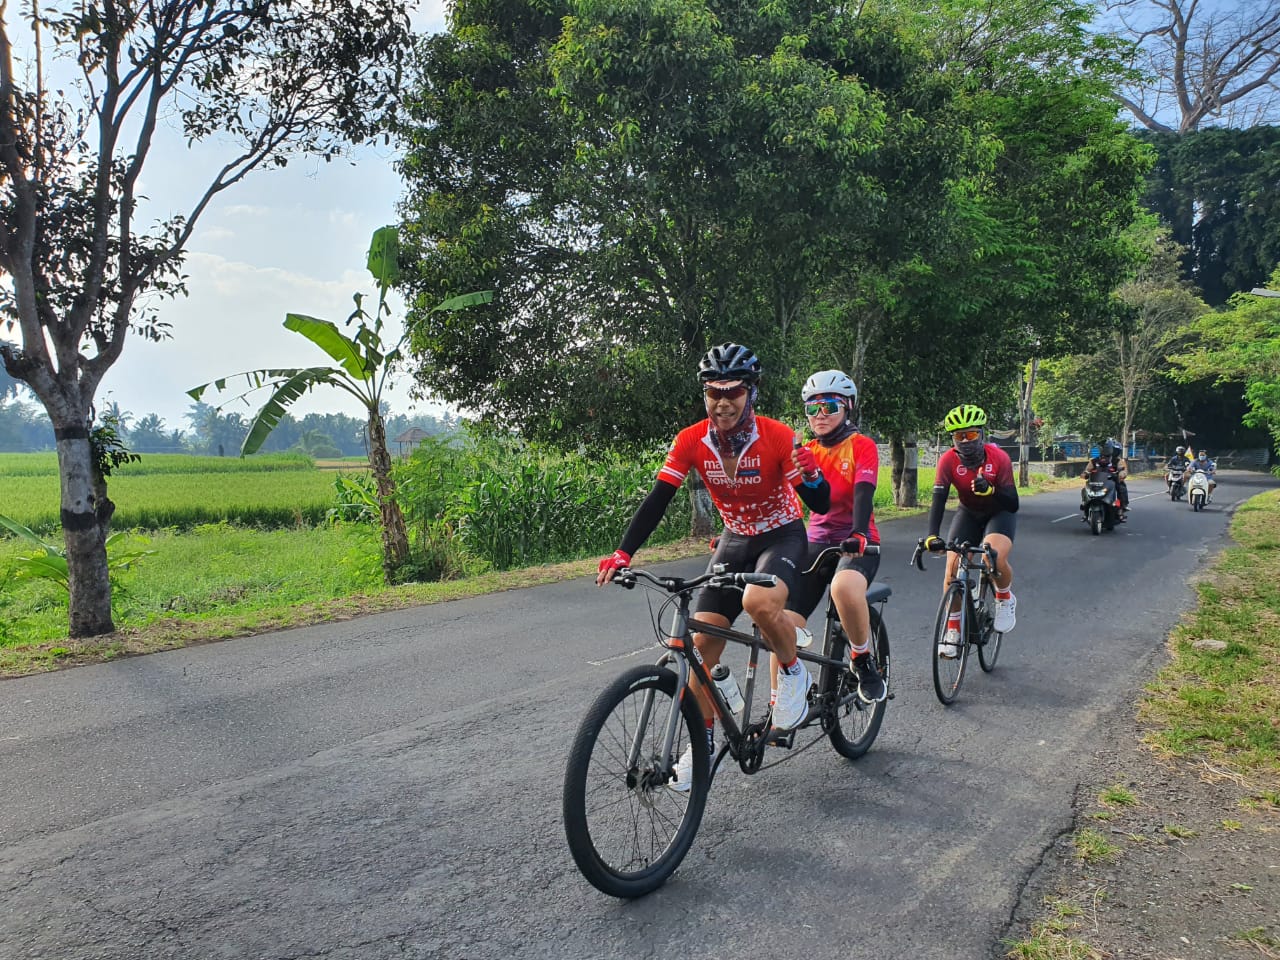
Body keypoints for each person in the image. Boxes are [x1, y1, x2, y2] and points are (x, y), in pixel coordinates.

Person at [596, 342, 831, 790]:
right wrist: (624, 553)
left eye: (733, 392)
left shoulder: (780, 436)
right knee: (698, 644)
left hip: (782, 535)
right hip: (734, 539)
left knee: (760, 602)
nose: (722, 402)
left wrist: (812, 476)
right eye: (713, 392)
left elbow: (818, 504)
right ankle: (702, 744)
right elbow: (659, 498)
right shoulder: (691, 440)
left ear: (751, 393)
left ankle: (794, 675)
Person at [782, 370, 885, 704]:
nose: (820, 415)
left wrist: (857, 532)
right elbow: (780, 499)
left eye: (829, 406)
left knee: (843, 588)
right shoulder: (805, 451)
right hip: (816, 540)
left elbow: (863, 493)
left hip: (858, 540)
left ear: (847, 408)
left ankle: (862, 658)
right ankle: (782, 702)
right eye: (813, 409)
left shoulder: (861, 445)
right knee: (780, 624)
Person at [923, 404, 1019, 659]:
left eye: (971, 435)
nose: (965, 441)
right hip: (968, 512)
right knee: (952, 568)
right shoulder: (948, 461)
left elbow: (1013, 503)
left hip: (999, 513)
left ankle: (1004, 596)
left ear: (982, 434)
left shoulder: (999, 459)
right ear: (952, 439)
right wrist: (933, 535)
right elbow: (939, 499)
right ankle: (953, 629)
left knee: (992, 555)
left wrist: (992, 490)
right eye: (959, 436)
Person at [1081, 440, 1125, 520]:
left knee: (1121, 488)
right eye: (1104, 448)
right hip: (1095, 482)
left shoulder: (1117, 461)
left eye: (1107, 448)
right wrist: (1085, 474)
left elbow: (1122, 469)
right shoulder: (1094, 461)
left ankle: (1120, 509)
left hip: (1111, 482)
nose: (1105, 451)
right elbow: (1087, 470)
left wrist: (1121, 473)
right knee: (1084, 489)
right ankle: (1085, 509)